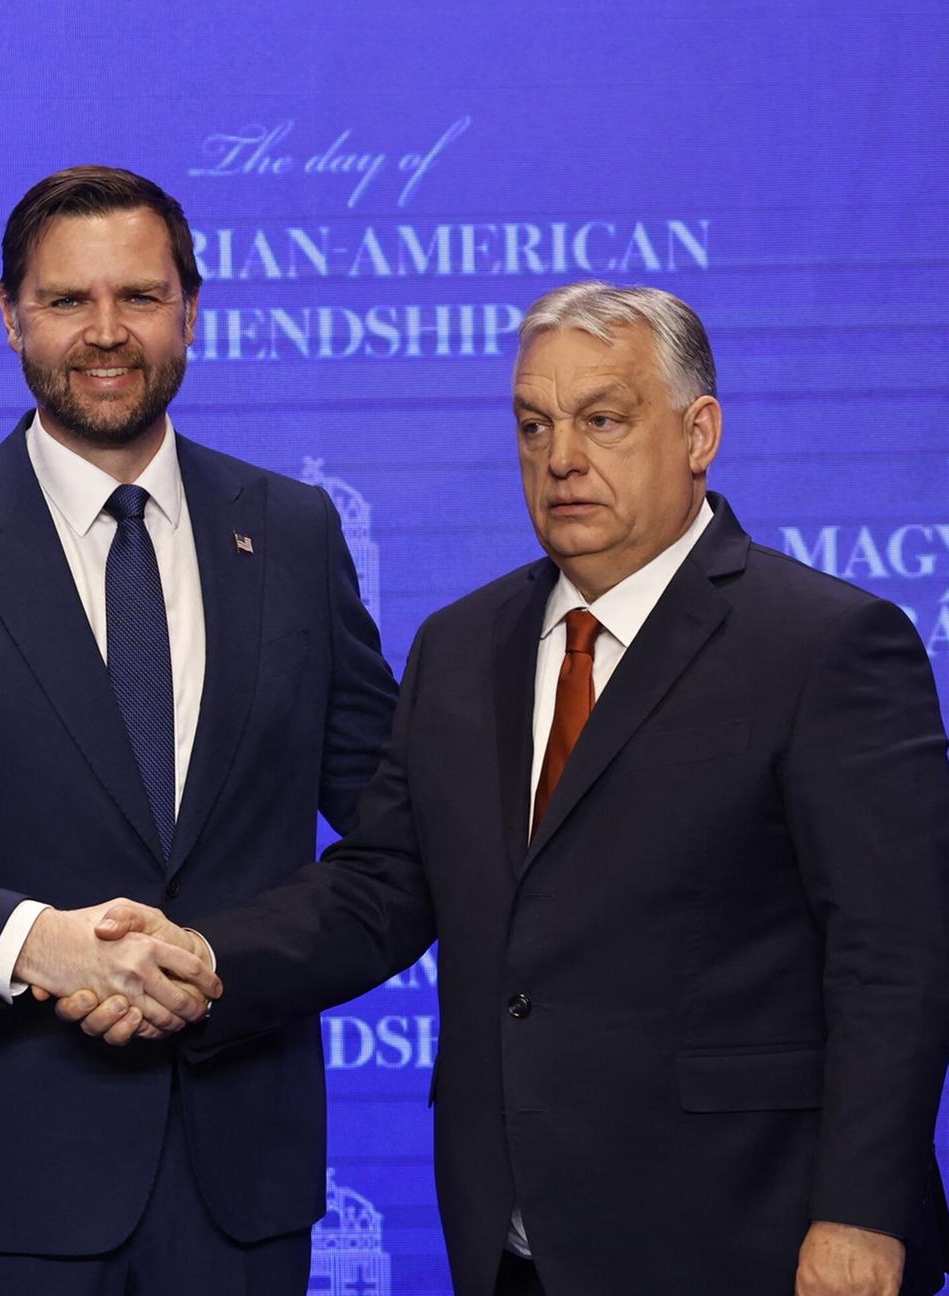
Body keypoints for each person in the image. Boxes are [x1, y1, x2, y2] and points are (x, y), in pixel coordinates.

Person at [66, 281, 949, 1296]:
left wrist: (861, 1212)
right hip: (513, 1242)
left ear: (699, 432)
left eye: (603, 420)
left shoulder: (825, 645)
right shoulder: (462, 646)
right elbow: (382, 887)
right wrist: (200, 959)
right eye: (534, 425)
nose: (561, 457)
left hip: (752, 1236)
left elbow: (897, 957)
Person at [0, 165, 397, 1295]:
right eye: (68, 300)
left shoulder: (296, 533)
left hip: (241, 1190)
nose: (107, 333)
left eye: (141, 296)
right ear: (10, 315)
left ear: (192, 311)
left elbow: (399, 838)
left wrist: (218, 965)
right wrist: (34, 944)